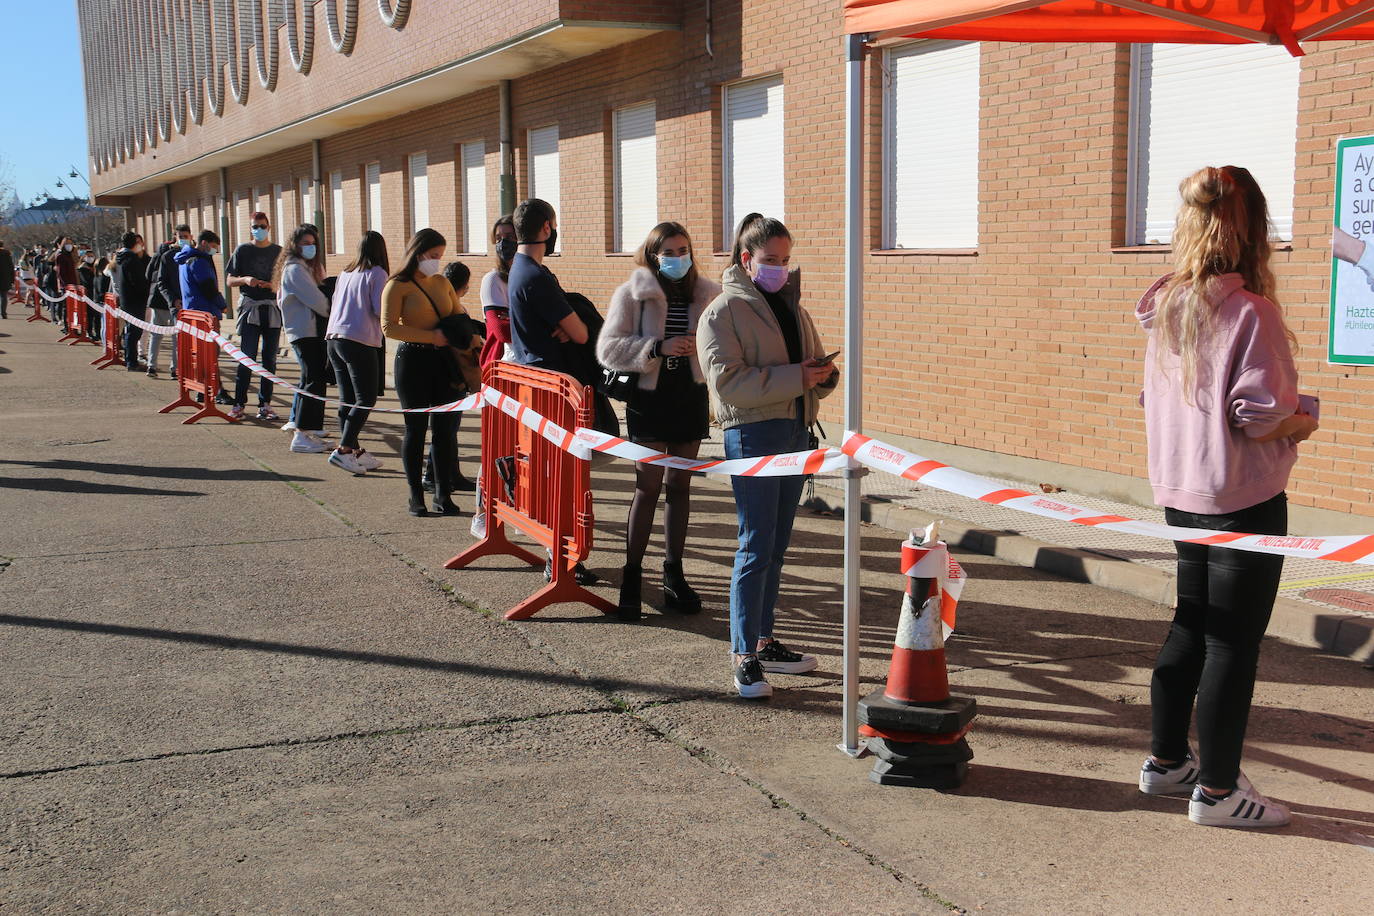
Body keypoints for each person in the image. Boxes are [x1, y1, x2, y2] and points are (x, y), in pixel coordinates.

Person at [1135, 165, 1318, 830]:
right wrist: (1305, 418)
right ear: (1255, 230)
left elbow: (1154, 400)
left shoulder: (1168, 308)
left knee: (1191, 624)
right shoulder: (1251, 313)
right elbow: (1259, 416)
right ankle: (1217, 792)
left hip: (1181, 491)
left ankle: (1166, 762)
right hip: (1242, 497)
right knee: (1233, 645)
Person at [698, 213, 839, 700]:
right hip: (752, 437)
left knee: (776, 545)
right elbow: (728, 383)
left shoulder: (793, 308)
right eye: (771, 259)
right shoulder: (721, 313)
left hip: (795, 432)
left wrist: (823, 376)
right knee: (755, 545)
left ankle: (763, 639)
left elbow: (812, 362)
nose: (780, 268)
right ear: (746, 259)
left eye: (786, 259)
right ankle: (743, 654)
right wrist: (798, 377)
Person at [598, 221, 721, 621]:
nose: (678, 258)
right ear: (653, 256)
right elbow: (608, 349)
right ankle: (632, 575)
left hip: (689, 396)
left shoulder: (708, 293)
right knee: (647, 486)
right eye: (669, 252)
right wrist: (657, 347)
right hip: (649, 399)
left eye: (683, 250)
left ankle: (674, 573)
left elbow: (724, 344)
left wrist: (701, 349)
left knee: (680, 486)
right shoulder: (632, 293)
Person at [382, 227, 464, 517]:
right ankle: (415, 495)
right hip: (412, 361)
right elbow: (389, 327)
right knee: (415, 430)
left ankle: (443, 493)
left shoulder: (442, 282)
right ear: (417, 253)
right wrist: (431, 337)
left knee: (445, 431)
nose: (436, 261)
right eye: (432, 255)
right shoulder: (397, 285)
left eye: (440, 255)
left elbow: (458, 314)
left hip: (444, 362)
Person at [325, 230, 389, 475]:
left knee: (348, 399)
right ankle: (344, 450)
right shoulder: (378, 273)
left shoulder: (346, 272)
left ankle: (354, 450)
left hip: (334, 338)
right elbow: (379, 309)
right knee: (365, 399)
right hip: (359, 339)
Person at [507, 198, 588, 373]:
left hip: (531, 370)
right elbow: (581, 335)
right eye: (554, 226)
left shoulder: (518, 267)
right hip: (548, 375)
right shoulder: (536, 276)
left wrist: (565, 328)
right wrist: (571, 328)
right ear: (546, 227)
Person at [275, 225, 332, 453]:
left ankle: (307, 428)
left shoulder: (304, 267)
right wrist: (333, 309)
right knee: (312, 380)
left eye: (313, 243)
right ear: (295, 245)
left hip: (308, 330)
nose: (310, 247)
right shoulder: (294, 270)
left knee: (310, 379)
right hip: (303, 331)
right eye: (305, 243)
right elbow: (318, 301)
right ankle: (302, 433)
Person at [226, 211, 284, 420]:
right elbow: (229, 280)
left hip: (272, 308)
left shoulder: (279, 251)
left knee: (270, 358)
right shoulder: (242, 250)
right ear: (250, 228)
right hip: (250, 308)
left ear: (269, 227)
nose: (259, 230)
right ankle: (239, 404)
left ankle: (265, 404)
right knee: (247, 356)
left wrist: (272, 285)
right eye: (255, 226)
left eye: (262, 226)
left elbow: (285, 280)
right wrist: (245, 280)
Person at [147, 224, 191, 379]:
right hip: (163, 301)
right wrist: (172, 299)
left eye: (186, 236)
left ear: (191, 236)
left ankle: (175, 368)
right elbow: (161, 281)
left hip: (183, 304)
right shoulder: (167, 256)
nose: (183, 239)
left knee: (177, 337)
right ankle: (151, 366)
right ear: (175, 237)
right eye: (180, 236)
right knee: (157, 334)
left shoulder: (192, 255)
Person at [114, 232, 151, 372]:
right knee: (134, 332)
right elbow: (138, 281)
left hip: (126, 300)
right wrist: (145, 291)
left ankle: (131, 359)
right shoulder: (131, 259)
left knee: (130, 331)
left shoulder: (121, 258)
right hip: (135, 301)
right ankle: (132, 362)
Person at [175, 229, 227, 319]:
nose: (215, 250)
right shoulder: (199, 262)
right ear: (204, 243)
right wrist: (222, 305)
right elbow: (208, 288)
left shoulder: (185, 260)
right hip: (204, 313)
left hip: (191, 311)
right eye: (213, 246)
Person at [0, 240, 13, 319]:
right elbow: (11, 266)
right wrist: (12, 279)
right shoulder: (6, 253)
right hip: (4, 277)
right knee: (3, 296)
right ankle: (3, 313)